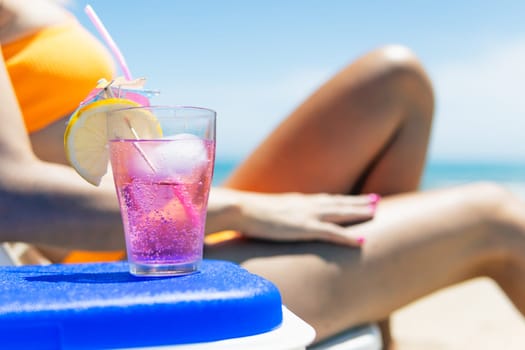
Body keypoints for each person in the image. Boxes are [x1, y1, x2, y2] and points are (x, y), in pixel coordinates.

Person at [2, 0, 525, 348]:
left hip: (178, 226)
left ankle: (378, 320)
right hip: (124, 271)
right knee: (497, 218)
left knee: (396, 80)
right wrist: (244, 207)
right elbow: (9, 193)